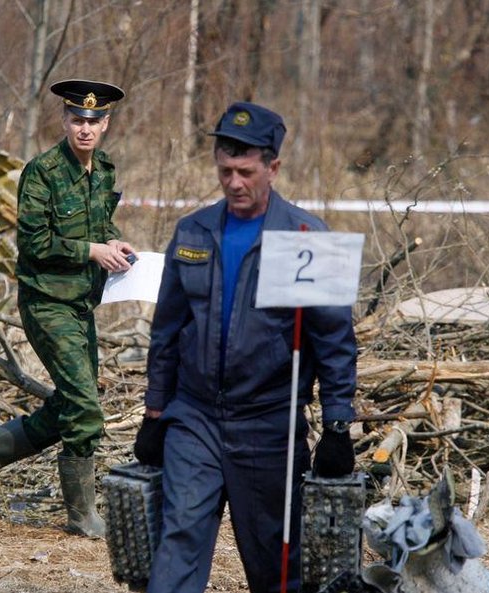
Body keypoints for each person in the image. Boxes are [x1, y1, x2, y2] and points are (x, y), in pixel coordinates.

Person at [133, 102, 358, 593]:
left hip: (270, 424)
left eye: (246, 172)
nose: (234, 183)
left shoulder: (305, 237)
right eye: (225, 170)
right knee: (179, 539)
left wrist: (338, 423)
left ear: (272, 168)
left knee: (275, 561)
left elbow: (336, 339)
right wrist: (155, 413)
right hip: (194, 418)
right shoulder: (193, 231)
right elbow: (166, 330)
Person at [0, 79, 136, 538]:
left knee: (74, 405)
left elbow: (100, 221)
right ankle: (82, 515)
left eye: (94, 121)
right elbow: (34, 243)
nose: (85, 129)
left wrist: (111, 239)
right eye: (77, 119)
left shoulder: (106, 169)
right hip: (47, 300)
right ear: (64, 120)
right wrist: (92, 251)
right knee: (85, 407)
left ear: (106, 124)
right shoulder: (43, 172)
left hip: (81, 303)